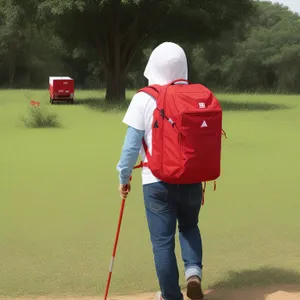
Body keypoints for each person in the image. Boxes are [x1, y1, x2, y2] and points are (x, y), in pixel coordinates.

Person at [116, 42, 204, 300]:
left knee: (162, 242)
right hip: (191, 178)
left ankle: (170, 296)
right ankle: (193, 273)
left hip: (156, 182)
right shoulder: (196, 95)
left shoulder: (144, 98)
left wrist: (124, 178)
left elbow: (130, 149)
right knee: (189, 227)